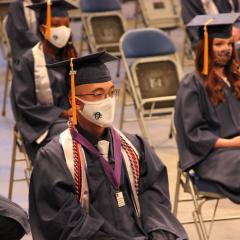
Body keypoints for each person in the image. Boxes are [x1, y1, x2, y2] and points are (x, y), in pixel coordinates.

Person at [29, 51, 188, 240]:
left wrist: (158, 235)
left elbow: (155, 200)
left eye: (111, 92)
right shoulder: (55, 158)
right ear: (75, 102)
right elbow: (66, 223)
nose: (107, 100)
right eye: (98, 94)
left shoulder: (134, 146)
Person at [175, 13, 240, 203]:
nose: (226, 49)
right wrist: (232, 143)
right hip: (212, 156)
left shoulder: (236, 78)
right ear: (205, 48)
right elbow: (193, 134)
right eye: (219, 44)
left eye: (229, 44)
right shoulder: (192, 84)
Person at [11, 0, 78, 163]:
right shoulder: (28, 61)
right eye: (56, 25)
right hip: (41, 126)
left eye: (66, 25)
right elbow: (24, 106)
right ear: (43, 28)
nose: (63, 30)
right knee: (71, 136)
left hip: (71, 122)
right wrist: (63, 113)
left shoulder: (70, 56)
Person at [6, 0, 41, 64]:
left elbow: (40, 28)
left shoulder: (35, 3)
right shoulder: (15, 6)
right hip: (22, 48)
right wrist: (41, 43)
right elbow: (21, 32)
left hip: (34, 44)